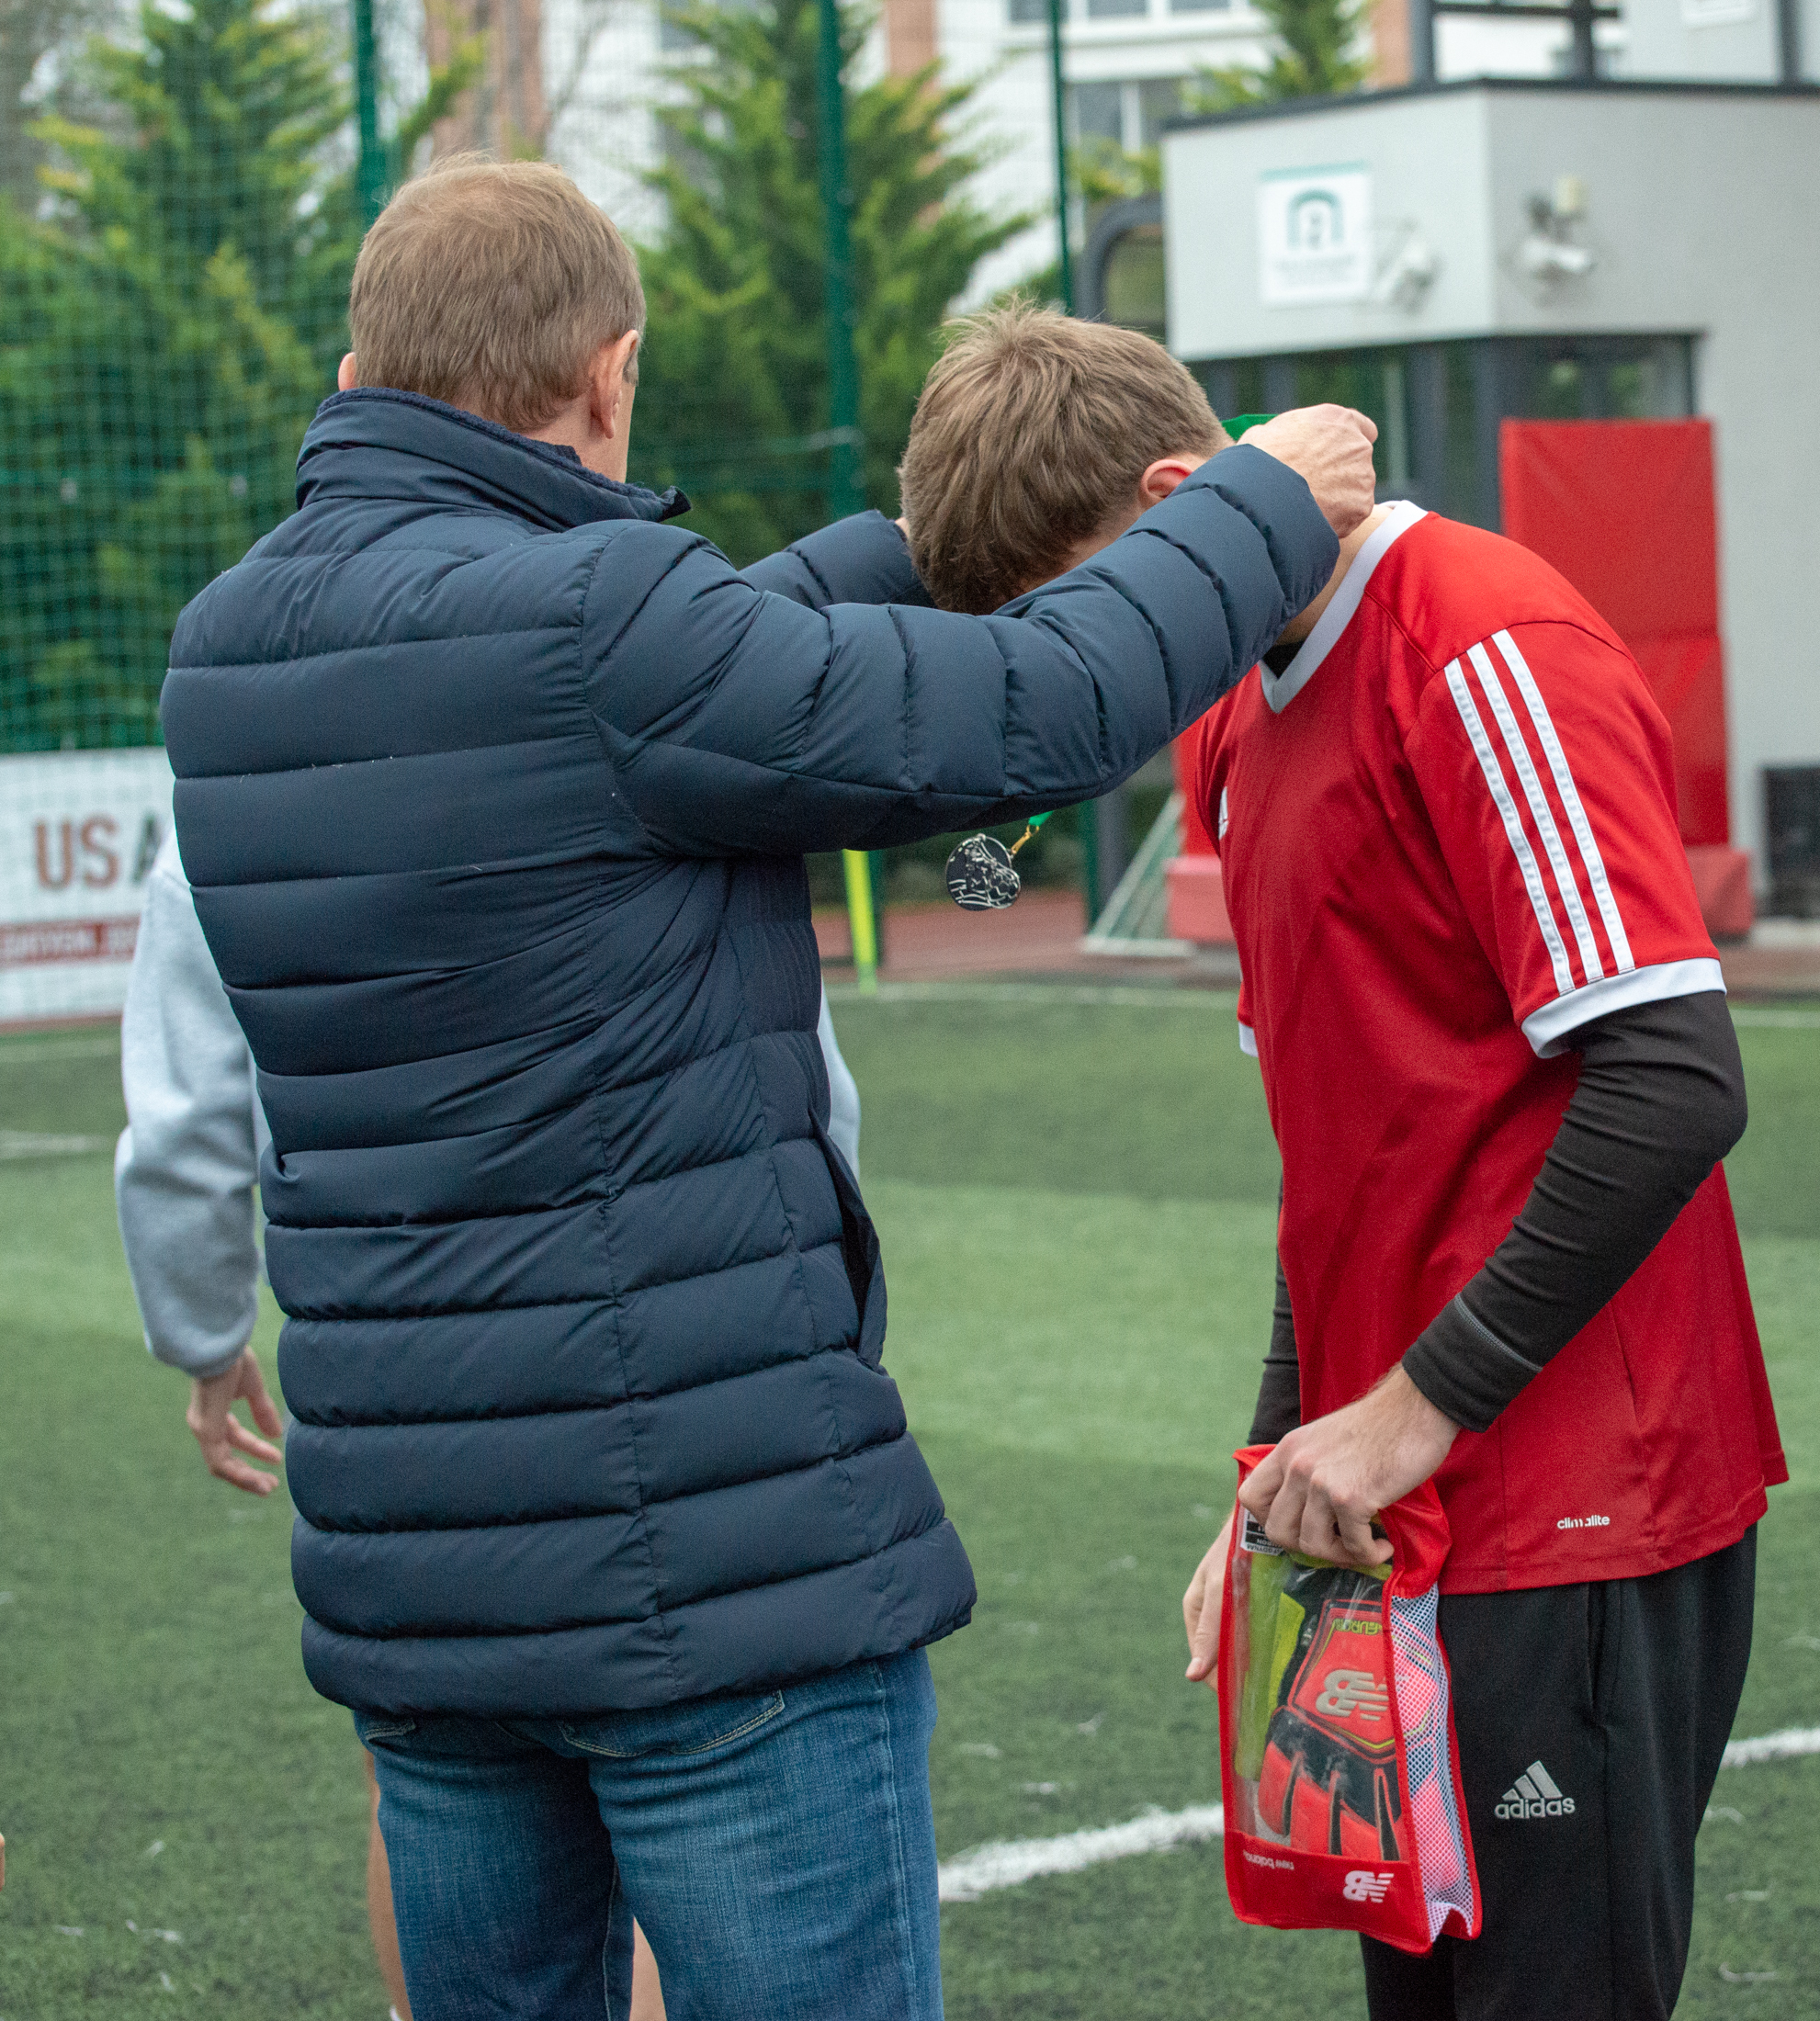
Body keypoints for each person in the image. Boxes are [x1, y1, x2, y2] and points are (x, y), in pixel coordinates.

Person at [158, 153, 1375, 2021]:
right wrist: (1256, 505)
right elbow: (1029, 711)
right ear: (610, 374)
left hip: (421, 1591)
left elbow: (696, 680)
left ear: (358, 375)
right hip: (704, 1576)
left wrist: (936, 532)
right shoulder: (597, 622)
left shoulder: (233, 647)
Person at [897, 302, 1785, 2021]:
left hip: (1574, 1507)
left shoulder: (1481, 643)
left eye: (1087, 608)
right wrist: (1280, 1466)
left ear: (1182, 506)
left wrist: (1409, 1410)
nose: (1092, 665)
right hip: (1392, 1511)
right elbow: (1342, 1163)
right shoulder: (1228, 718)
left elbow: (1672, 1079)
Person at [115, 828, 865, 2018]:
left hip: (399, 1397)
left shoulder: (220, 766)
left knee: (433, 1768)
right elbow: (800, 1071)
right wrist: (822, 1314)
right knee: (684, 1764)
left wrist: (202, 1335)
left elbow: (183, 1128)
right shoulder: (646, 713)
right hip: (674, 1365)